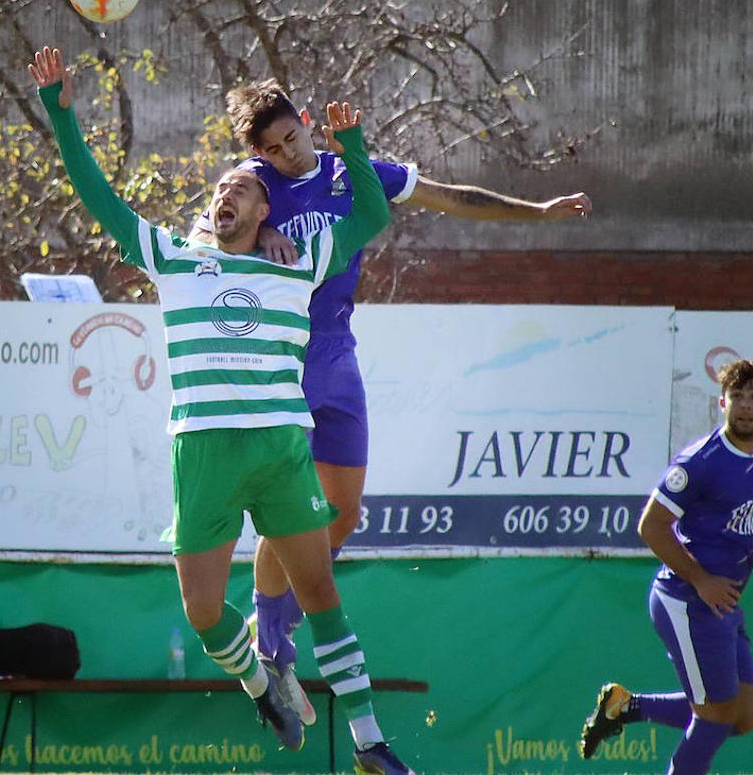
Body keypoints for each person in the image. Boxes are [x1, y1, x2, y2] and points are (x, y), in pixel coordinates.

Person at [29, 46, 415, 775]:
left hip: (278, 449)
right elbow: (96, 194)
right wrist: (60, 110)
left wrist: (352, 145)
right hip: (202, 454)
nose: (225, 195)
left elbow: (371, 210)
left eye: (241, 185)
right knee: (204, 614)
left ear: (268, 210)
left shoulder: (300, 260)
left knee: (323, 592)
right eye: (219, 188)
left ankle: (371, 745)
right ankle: (259, 681)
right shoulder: (173, 260)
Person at [188, 80, 591, 721]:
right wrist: (254, 237)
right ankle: (272, 645)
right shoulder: (254, 180)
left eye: (292, 137)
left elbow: (450, 198)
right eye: (273, 148)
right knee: (288, 514)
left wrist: (538, 212)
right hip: (279, 360)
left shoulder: (355, 172)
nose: (287, 154)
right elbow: (209, 234)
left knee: (342, 516)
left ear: (309, 122)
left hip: (337, 357)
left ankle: (278, 639)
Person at [578, 359, 753, 775]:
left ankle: (626, 707)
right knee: (715, 716)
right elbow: (651, 526)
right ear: (722, 403)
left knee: (744, 714)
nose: (746, 406)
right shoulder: (701, 461)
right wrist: (700, 580)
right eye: (737, 397)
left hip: (724, 601)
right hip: (686, 599)